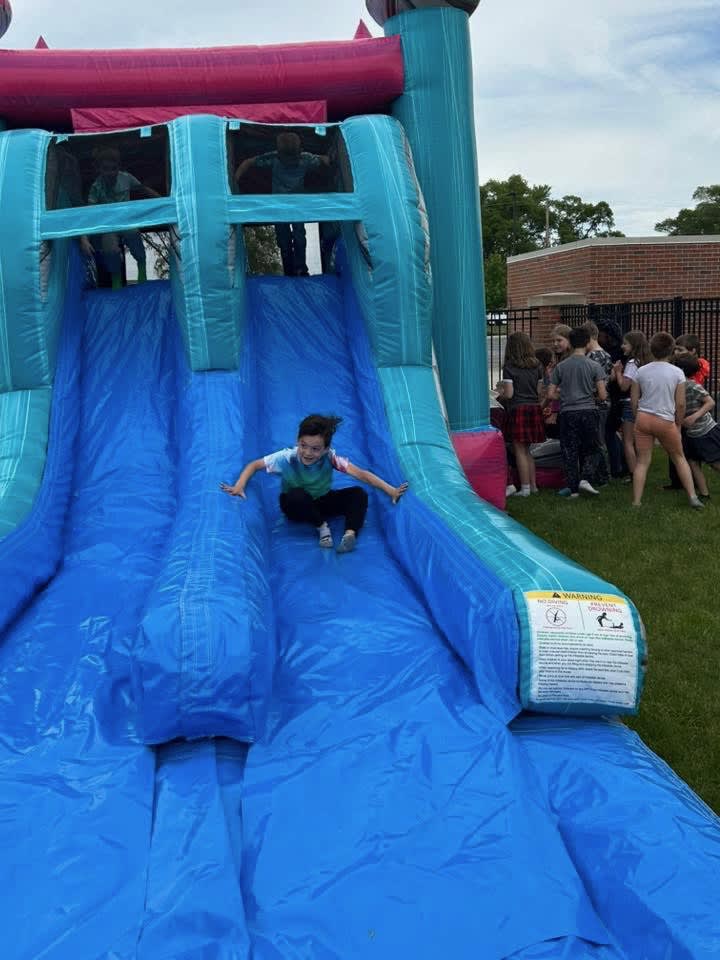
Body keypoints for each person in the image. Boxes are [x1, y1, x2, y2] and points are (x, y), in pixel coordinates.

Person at [220, 414, 408, 554]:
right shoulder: (287, 457)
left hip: (321, 501)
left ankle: (350, 534)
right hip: (295, 506)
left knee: (358, 494)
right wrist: (239, 486)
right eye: (303, 446)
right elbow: (254, 465)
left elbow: (361, 474)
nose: (308, 453)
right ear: (297, 441)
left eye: (315, 449)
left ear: (326, 449)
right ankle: (322, 527)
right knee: (296, 495)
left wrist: (391, 490)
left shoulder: (330, 458)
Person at [234, 132, 332, 277]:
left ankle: (300, 268)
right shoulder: (277, 158)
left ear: (299, 152)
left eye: (293, 158)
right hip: (280, 206)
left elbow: (322, 159)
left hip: (293, 205)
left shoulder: (303, 158)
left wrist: (328, 160)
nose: (290, 161)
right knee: (286, 238)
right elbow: (247, 162)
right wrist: (235, 180)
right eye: (287, 159)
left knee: (298, 237)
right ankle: (291, 269)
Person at [630, 332, 703, 510]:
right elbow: (680, 403)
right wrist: (678, 423)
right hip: (665, 420)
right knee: (679, 458)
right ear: (671, 351)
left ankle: (636, 502)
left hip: (643, 418)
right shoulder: (677, 372)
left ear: (651, 349)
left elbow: (634, 400)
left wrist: (636, 416)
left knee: (642, 462)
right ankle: (693, 497)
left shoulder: (641, 371)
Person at [87, 146, 160, 290]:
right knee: (110, 248)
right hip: (109, 225)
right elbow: (88, 213)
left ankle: (141, 268)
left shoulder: (126, 178)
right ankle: (116, 279)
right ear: (99, 170)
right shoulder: (96, 187)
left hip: (126, 221)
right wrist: (84, 238)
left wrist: (162, 200)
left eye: (113, 169)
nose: (110, 173)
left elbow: (143, 189)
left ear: (118, 167)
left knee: (133, 234)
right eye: (106, 169)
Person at [547, 326, 607, 498]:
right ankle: (586, 478)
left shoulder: (561, 367)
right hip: (588, 411)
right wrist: (591, 396)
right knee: (593, 447)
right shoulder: (594, 366)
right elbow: (603, 395)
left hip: (567, 413)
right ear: (588, 343)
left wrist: (565, 395)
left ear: (571, 343)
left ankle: (573, 488)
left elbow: (550, 394)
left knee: (569, 450)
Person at [496, 332, 545, 497]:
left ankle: (524, 488)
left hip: (518, 409)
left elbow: (509, 394)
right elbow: (539, 392)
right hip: (534, 408)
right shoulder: (537, 365)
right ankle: (533, 486)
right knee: (527, 450)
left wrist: (499, 395)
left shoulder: (509, 367)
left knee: (519, 450)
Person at [665, 334, 712, 489]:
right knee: (675, 446)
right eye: (675, 349)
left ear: (693, 351)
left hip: (689, 412)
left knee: (690, 450)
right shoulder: (676, 366)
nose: (676, 352)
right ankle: (677, 481)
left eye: (680, 349)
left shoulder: (697, 366)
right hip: (679, 411)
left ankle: (692, 480)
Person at [674, 353, 720, 497]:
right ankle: (704, 494)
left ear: (681, 370)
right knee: (693, 462)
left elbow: (710, 402)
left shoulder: (692, 385)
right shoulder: (677, 386)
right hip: (691, 433)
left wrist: (694, 417)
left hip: (705, 431)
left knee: (714, 463)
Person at [612, 330, 651, 482]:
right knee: (642, 441)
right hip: (645, 404)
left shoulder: (632, 363)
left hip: (630, 403)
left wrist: (618, 372)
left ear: (633, 345)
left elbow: (624, 386)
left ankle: (634, 474)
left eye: (625, 343)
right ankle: (642, 470)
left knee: (627, 441)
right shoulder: (647, 362)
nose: (622, 346)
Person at [581, 320, 613, 487]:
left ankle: (603, 475)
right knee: (599, 439)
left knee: (597, 441)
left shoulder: (592, 357)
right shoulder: (606, 355)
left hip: (596, 402)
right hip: (605, 401)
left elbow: (592, 382)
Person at [595, 316, 626, 478]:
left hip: (616, 396)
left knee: (609, 431)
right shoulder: (614, 351)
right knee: (611, 432)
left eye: (599, 335)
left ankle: (617, 467)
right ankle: (621, 463)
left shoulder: (615, 354)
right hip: (614, 395)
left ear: (607, 335)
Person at [542, 324, 572, 438]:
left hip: (565, 409)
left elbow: (560, 389)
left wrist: (554, 412)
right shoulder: (560, 359)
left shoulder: (568, 361)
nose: (555, 344)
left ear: (569, 340)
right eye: (553, 341)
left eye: (559, 340)